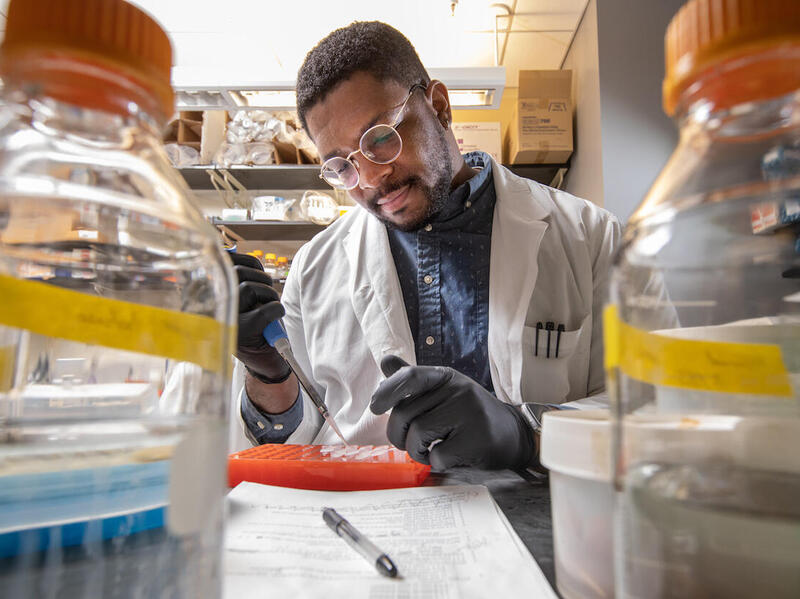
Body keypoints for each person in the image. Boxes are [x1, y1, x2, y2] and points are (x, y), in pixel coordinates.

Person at [228, 21, 621, 472]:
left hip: (539, 511)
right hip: (368, 509)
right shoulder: (313, 267)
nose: (371, 178)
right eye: (342, 165)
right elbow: (298, 441)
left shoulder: (591, 236)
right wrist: (268, 373)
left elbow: (653, 408)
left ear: (439, 106)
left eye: (380, 138)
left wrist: (526, 432)